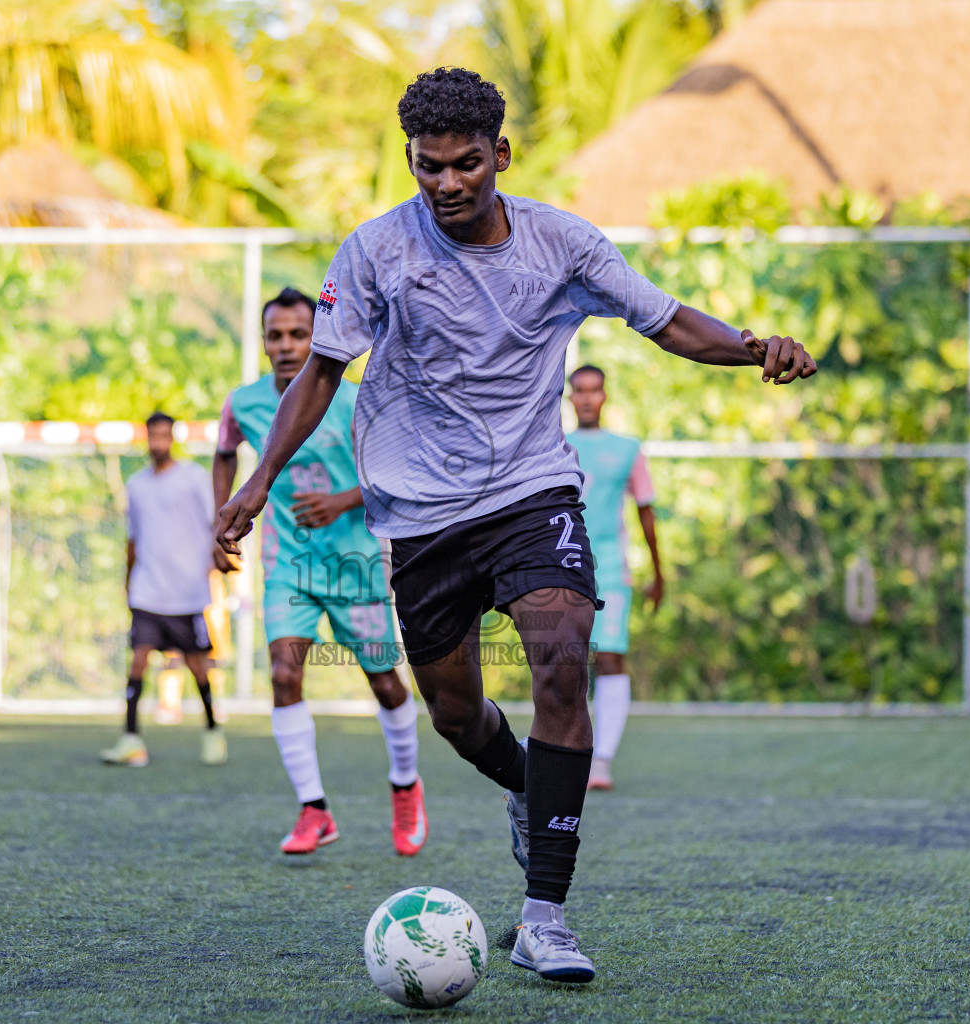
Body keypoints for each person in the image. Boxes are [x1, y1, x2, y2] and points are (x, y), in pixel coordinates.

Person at [216, 68, 816, 983]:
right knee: (456, 713)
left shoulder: (562, 244)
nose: (447, 185)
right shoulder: (375, 252)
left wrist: (751, 346)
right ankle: (531, 796)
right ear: (410, 163)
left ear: (500, 155)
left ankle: (546, 918)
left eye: (465, 166)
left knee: (564, 652)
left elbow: (665, 321)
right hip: (420, 515)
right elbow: (323, 374)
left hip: (532, 491)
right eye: (428, 170)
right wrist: (258, 481)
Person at [213, 287, 427, 857]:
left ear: (318, 339)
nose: (286, 346)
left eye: (298, 335)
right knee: (284, 675)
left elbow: (397, 471)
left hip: (357, 565)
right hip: (289, 567)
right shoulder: (245, 403)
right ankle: (314, 810)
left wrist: (340, 501)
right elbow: (223, 453)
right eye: (276, 336)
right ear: (262, 342)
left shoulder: (357, 402)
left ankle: (406, 785)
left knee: (385, 683)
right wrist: (222, 519)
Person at [102, 412, 226, 768]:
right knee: (138, 659)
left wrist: (216, 561)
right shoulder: (137, 484)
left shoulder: (194, 478)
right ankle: (130, 738)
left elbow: (215, 523)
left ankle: (213, 730)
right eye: (152, 436)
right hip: (147, 589)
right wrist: (128, 582)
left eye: (163, 435)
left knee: (196, 664)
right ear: (146, 438)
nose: (157, 442)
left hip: (186, 591)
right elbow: (133, 538)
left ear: (172, 437)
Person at [566, 365, 663, 791]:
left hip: (609, 567)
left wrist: (659, 573)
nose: (587, 398)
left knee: (609, 658)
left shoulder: (627, 450)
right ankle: (568, 753)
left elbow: (645, 511)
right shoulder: (551, 446)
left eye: (594, 390)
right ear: (569, 396)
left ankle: (601, 760)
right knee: (565, 662)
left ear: (605, 396)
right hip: (561, 566)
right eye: (579, 390)